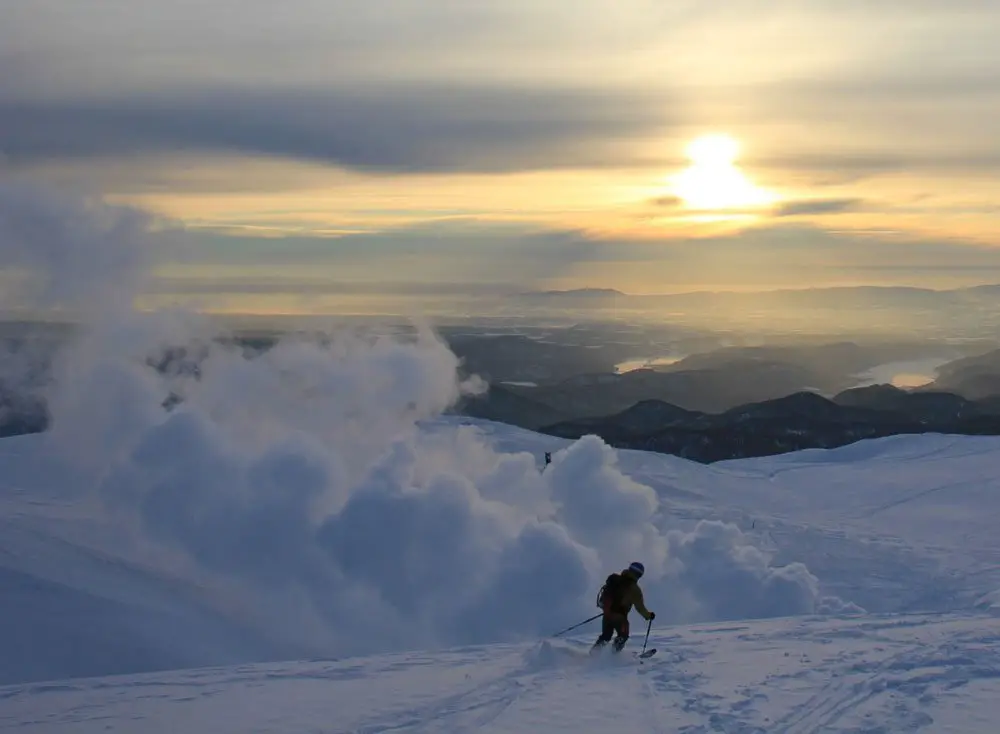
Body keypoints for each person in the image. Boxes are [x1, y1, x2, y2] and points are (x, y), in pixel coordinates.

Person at [592, 561, 655, 653]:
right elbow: (640, 607)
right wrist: (648, 616)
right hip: (620, 617)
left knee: (606, 635)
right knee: (623, 635)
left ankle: (594, 654)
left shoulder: (615, 580)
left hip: (607, 614)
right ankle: (613, 655)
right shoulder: (634, 589)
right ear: (639, 575)